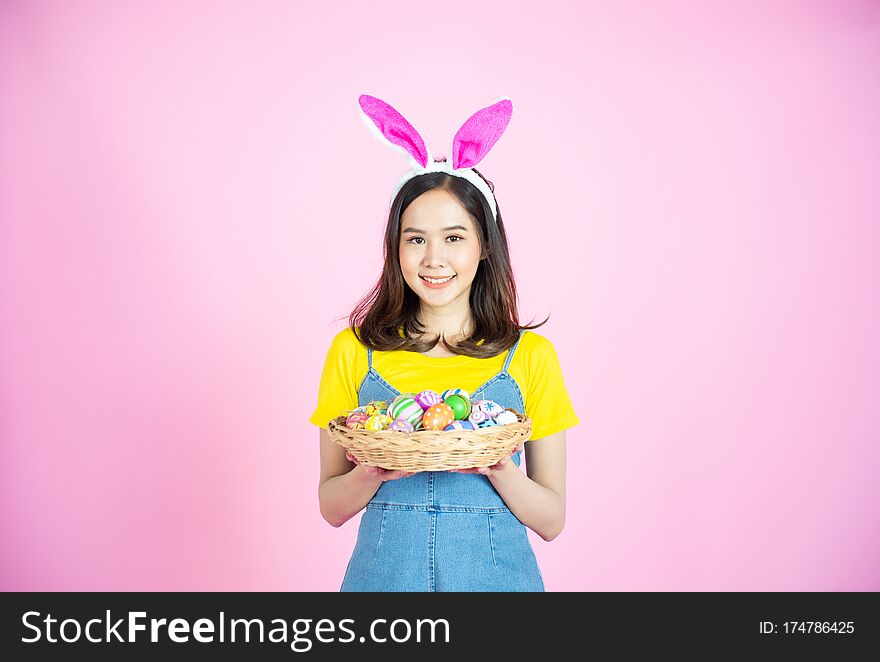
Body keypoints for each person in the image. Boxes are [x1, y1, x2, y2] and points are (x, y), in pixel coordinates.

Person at [308, 95, 580, 591]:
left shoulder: (532, 357)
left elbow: (551, 519)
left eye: (454, 238)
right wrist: (371, 472)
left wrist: (499, 468)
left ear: (484, 245)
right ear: (396, 248)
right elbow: (331, 507)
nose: (434, 259)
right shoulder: (353, 351)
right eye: (416, 239)